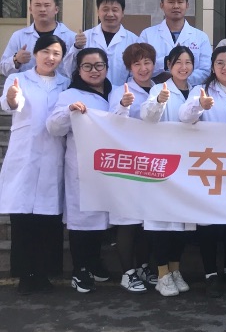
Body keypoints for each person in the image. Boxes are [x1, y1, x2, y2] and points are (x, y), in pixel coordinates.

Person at [0, 35, 68, 294]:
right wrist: (13, 97)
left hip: (53, 155)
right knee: (23, 220)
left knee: (48, 220)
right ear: (36, 54)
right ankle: (25, 276)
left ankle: (43, 274)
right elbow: (11, 104)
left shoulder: (65, 83)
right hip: (25, 155)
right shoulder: (19, 79)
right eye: (46, 52)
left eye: (56, 54)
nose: (51, 58)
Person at [178, 46, 226, 297]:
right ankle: (210, 274)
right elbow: (184, 117)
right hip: (210, 165)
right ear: (213, 67)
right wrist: (199, 105)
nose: (225, 67)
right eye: (220, 63)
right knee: (207, 220)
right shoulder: (201, 90)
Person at [46, 48, 113, 293]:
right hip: (82, 167)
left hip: (109, 167)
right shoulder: (70, 95)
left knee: (102, 219)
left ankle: (94, 262)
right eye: (87, 66)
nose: (94, 71)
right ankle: (80, 269)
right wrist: (69, 111)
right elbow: (53, 127)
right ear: (79, 69)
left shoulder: (115, 92)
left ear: (106, 67)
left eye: (99, 65)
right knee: (83, 220)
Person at [140, 45, 197, 297]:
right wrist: (160, 101)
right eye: (178, 62)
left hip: (188, 165)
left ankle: (175, 269)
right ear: (169, 65)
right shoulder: (158, 89)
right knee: (161, 221)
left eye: (188, 62)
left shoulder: (196, 90)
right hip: (162, 163)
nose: (183, 67)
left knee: (182, 224)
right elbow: (148, 117)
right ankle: (162, 274)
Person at [107, 42, 157, 292]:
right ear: (129, 67)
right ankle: (127, 272)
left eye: (147, 62)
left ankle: (144, 267)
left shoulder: (160, 89)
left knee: (147, 220)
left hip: (154, 164)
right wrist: (124, 105)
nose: (143, 68)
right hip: (128, 164)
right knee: (128, 220)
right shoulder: (120, 91)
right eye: (137, 64)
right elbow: (112, 124)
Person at [63, 0, 140, 86]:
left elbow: (136, 74)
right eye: (105, 9)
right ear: (98, 12)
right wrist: (77, 47)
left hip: (121, 92)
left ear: (122, 13)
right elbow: (68, 70)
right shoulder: (84, 38)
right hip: (88, 92)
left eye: (115, 10)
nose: (110, 14)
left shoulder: (133, 41)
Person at [139, 0, 211, 84]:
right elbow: (139, 66)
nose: (176, 6)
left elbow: (205, 71)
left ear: (187, 5)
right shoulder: (147, 35)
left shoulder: (201, 37)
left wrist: (178, 79)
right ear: (162, 5)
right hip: (155, 89)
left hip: (190, 90)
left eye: (180, 2)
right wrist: (164, 62)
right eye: (171, 2)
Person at [1, 0, 76, 76]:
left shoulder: (71, 37)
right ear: (30, 9)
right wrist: (16, 60)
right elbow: (3, 69)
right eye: (38, 5)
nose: (42, 9)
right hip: (27, 84)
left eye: (47, 5)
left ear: (56, 9)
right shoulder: (19, 36)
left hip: (61, 84)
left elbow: (77, 69)